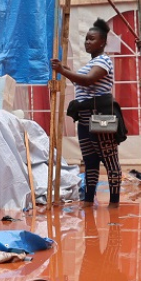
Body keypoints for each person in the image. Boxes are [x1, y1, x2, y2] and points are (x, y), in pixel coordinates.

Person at [52, 19, 122, 205]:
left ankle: (114, 203)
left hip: (100, 116)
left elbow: (88, 81)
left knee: (110, 162)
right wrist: (64, 69)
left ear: (102, 42)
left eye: (92, 39)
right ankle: (89, 201)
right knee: (90, 162)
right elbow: (81, 80)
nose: (87, 42)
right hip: (85, 117)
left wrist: (63, 71)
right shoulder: (91, 62)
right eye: (86, 39)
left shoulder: (104, 60)